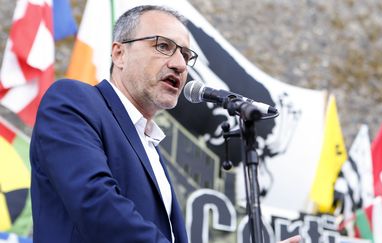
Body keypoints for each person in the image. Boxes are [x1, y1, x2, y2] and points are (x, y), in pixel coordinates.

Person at [30, 4, 301, 243]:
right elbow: (97, 206)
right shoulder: (74, 101)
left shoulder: (150, 147)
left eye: (185, 55)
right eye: (163, 46)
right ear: (119, 53)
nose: (180, 65)